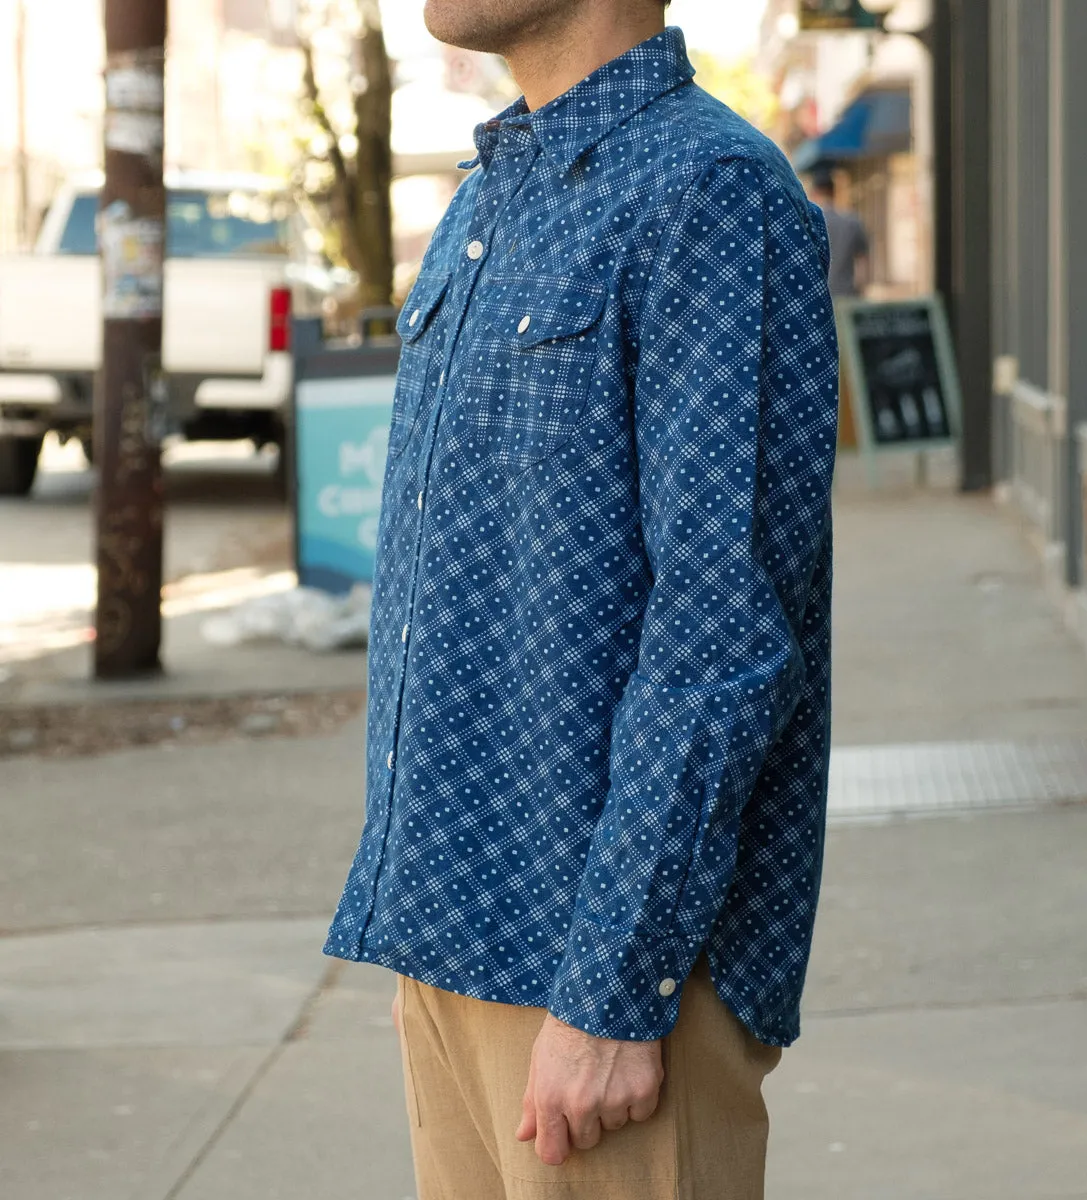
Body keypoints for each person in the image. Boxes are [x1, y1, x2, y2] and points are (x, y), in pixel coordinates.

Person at [324, 3, 838, 1196]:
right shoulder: (490, 195)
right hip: (461, 948)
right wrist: (426, 949)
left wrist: (616, 990)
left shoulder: (712, 191)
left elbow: (724, 637)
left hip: (608, 993)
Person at [809, 168, 870, 298]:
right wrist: (860, 290)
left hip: (818, 297)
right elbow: (863, 262)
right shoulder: (852, 222)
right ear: (833, 192)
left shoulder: (808, 224)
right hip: (847, 294)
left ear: (814, 193)